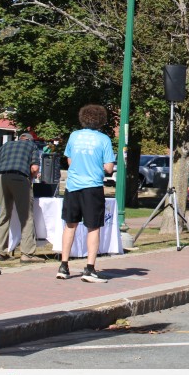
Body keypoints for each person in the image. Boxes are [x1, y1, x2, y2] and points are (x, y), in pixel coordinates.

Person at [56, 105, 115, 283]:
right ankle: (89, 268)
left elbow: (69, 159)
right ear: (101, 120)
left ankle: (63, 266)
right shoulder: (104, 139)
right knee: (93, 227)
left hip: (73, 186)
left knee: (70, 225)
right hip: (92, 186)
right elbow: (109, 167)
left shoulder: (74, 136)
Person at [0, 132, 41, 262]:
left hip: (1, 178)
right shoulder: (32, 146)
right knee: (26, 217)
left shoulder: (6, 145)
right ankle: (27, 254)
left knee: (4, 214)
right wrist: (31, 178)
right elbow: (34, 168)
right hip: (19, 178)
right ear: (30, 140)